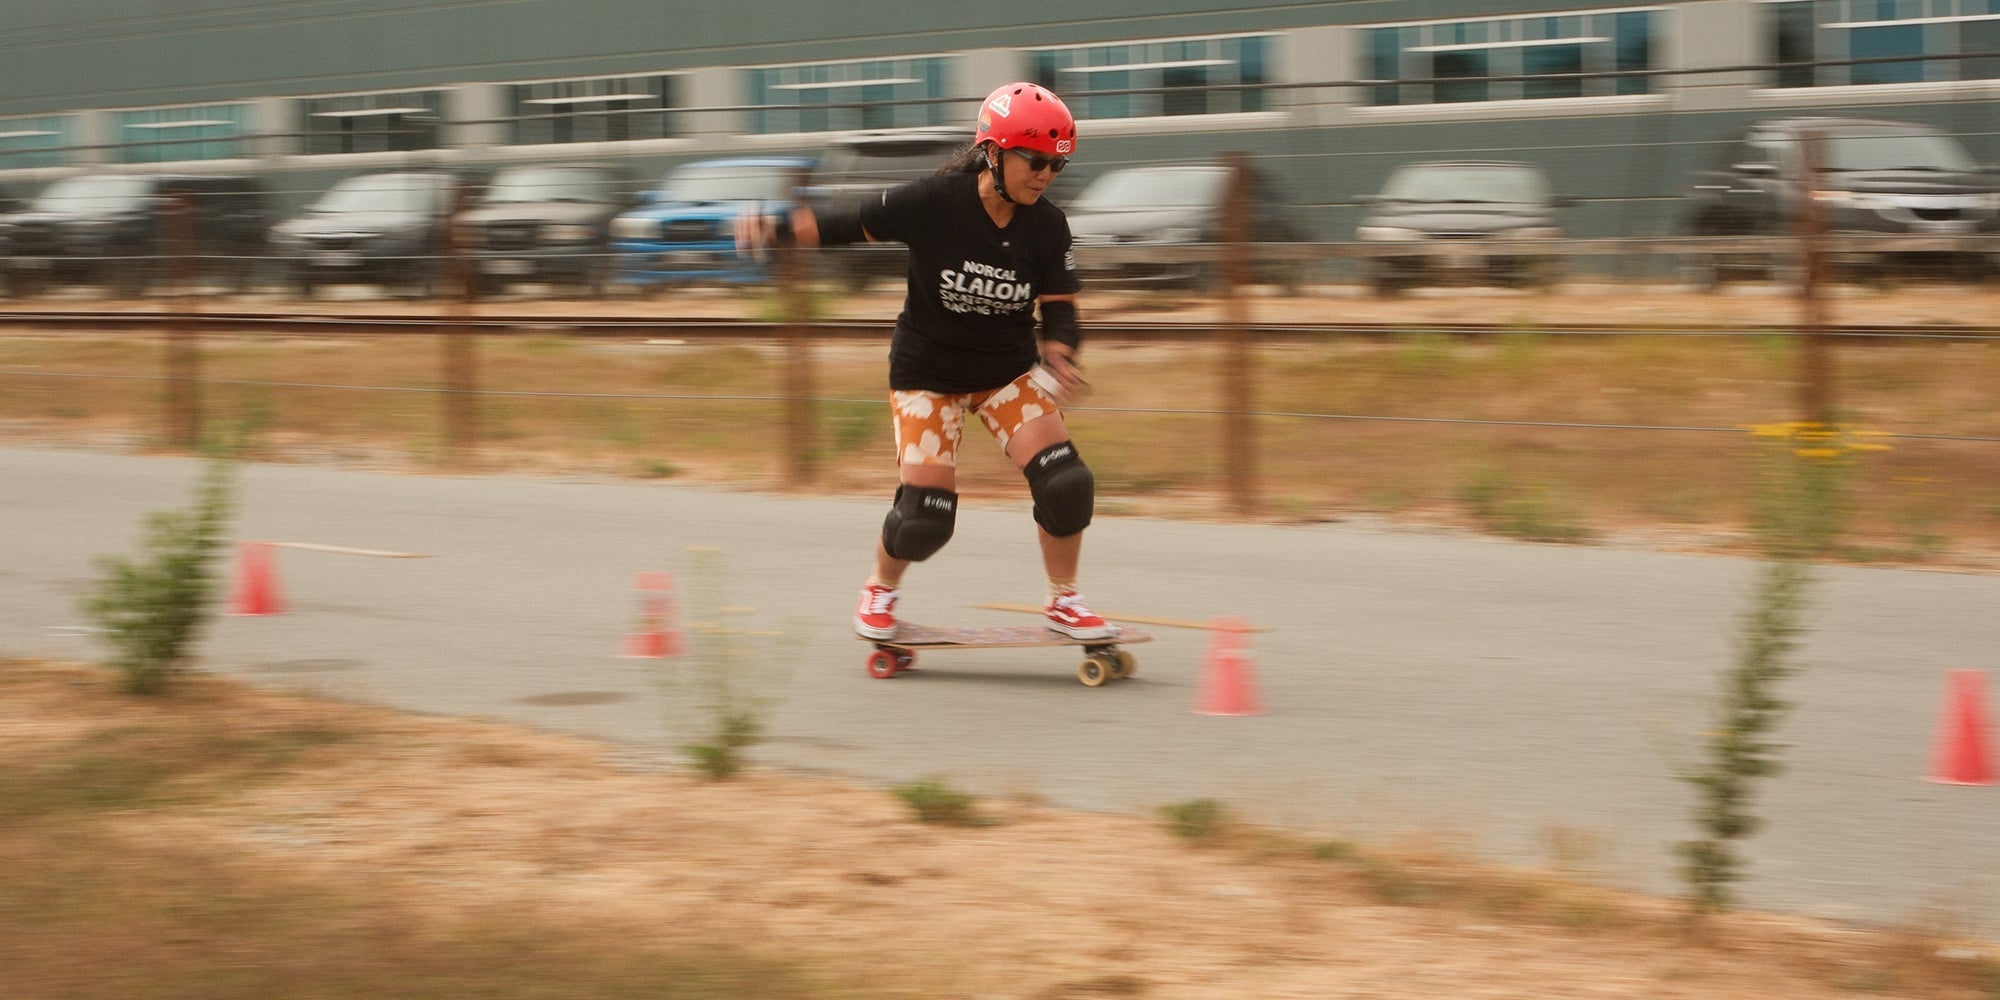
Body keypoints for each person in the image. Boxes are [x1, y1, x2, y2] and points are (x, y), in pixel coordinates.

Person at [739, 81, 1112, 642]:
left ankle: (1063, 600)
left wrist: (1061, 348)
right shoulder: (935, 203)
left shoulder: (1048, 225)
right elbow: (849, 221)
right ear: (993, 152)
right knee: (925, 519)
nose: (1044, 175)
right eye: (1034, 161)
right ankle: (879, 589)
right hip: (928, 376)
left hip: (1006, 374)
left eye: (1056, 167)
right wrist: (775, 226)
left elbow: (1060, 307)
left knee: (1067, 484)